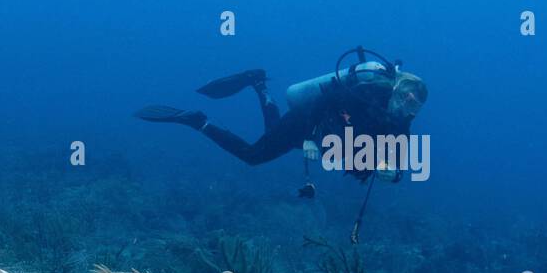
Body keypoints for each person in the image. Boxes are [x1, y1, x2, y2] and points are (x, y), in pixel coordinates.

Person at [137, 50, 427, 195]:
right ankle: (197, 121)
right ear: (398, 88)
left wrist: (394, 174)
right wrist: (311, 137)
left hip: (328, 139)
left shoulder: (400, 122)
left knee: (273, 136)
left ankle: (258, 83)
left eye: (414, 103)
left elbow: (397, 159)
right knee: (254, 156)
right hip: (309, 122)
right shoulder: (367, 92)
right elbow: (326, 100)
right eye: (405, 96)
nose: (406, 105)